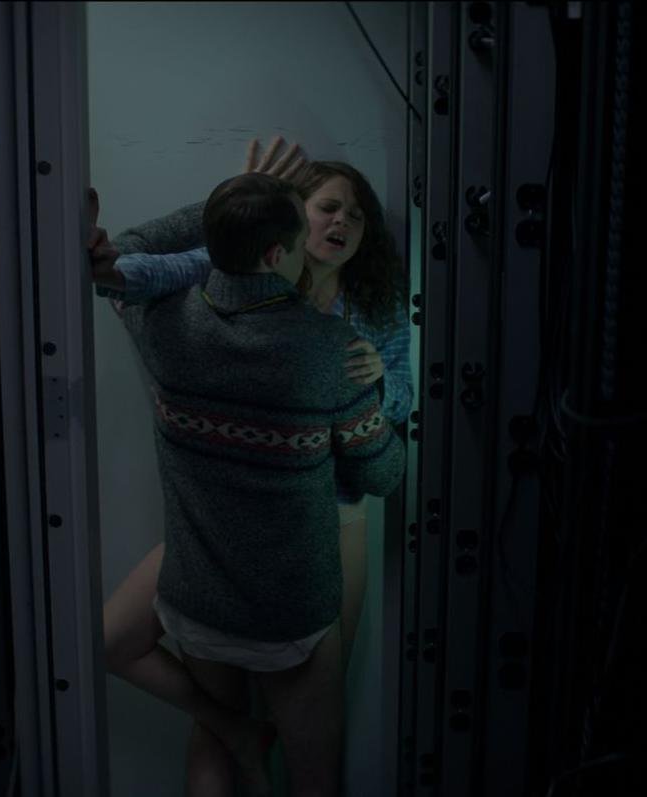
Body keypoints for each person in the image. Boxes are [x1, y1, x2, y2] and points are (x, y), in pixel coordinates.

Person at [94, 138, 414, 793]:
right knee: (308, 762)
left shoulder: (165, 318)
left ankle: (237, 732)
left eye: (354, 217)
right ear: (281, 246)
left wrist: (231, 204)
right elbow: (383, 473)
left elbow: (118, 262)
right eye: (320, 211)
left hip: (210, 579)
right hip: (287, 597)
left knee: (221, 732)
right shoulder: (329, 348)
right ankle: (239, 733)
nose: (339, 224)